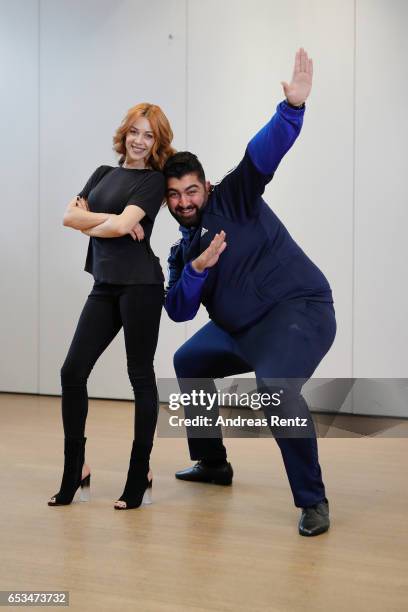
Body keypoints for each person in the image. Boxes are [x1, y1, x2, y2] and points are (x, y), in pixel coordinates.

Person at [163, 49, 336, 536]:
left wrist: (292, 110)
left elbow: (263, 153)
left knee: (276, 393)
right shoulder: (183, 249)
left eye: (191, 191)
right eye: (174, 196)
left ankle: (313, 499)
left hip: (297, 311)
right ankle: (212, 462)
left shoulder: (234, 196)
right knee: (188, 360)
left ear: (206, 186)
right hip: (241, 331)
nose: (184, 202)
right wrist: (196, 269)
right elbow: (177, 309)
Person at [48, 102, 175, 510]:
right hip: (104, 285)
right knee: (72, 371)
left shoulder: (154, 182)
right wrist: (114, 220)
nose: (140, 141)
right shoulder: (103, 174)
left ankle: (139, 473)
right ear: (125, 132)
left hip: (141, 285)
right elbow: (68, 218)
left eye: (149, 135)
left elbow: (118, 226)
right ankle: (75, 470)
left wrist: (106, 222)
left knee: (139, 375)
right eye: (135, 131)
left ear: (157, 142)